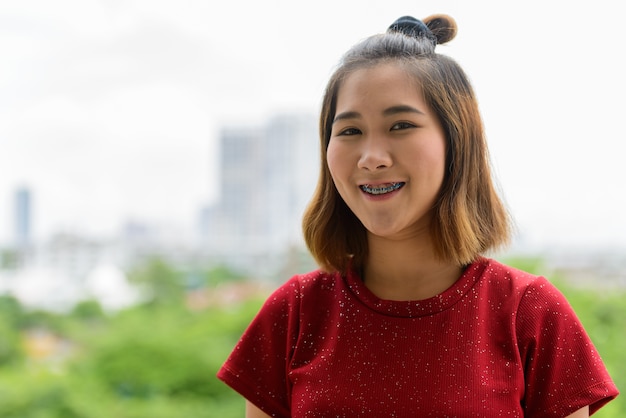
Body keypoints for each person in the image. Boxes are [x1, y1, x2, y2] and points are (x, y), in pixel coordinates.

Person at [217, 14, 619, 417]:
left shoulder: (530, 312)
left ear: (457, 142)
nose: (372, 158)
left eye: (401, 125)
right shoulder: (296, 311)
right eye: (350, 131)